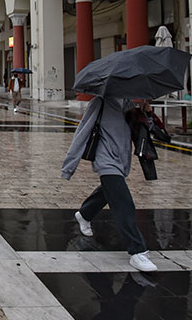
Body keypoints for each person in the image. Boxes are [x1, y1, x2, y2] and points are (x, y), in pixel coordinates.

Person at [61, 96, 158, 272]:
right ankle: (137, 251)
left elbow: (145, 131)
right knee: (123, 203)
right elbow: (82, 132)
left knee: (110, 191)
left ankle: (85, 214)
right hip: (105, 160)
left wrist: (147, 113)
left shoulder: (128, 104)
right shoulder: (100, 102)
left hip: (122, 162)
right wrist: (69, 167)